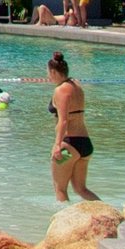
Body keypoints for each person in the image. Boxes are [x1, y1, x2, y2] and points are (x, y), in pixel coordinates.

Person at [46, 51, 97, 202]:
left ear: (53, 71)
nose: (48, 75)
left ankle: (64, 223)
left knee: (60, 189)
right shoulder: (76, 84)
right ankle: (109, 213)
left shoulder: (61, 90)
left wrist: (57, 145)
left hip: (68, 146)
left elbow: (63, 120)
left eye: (48, 72)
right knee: (81, 189)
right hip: (85, 145)